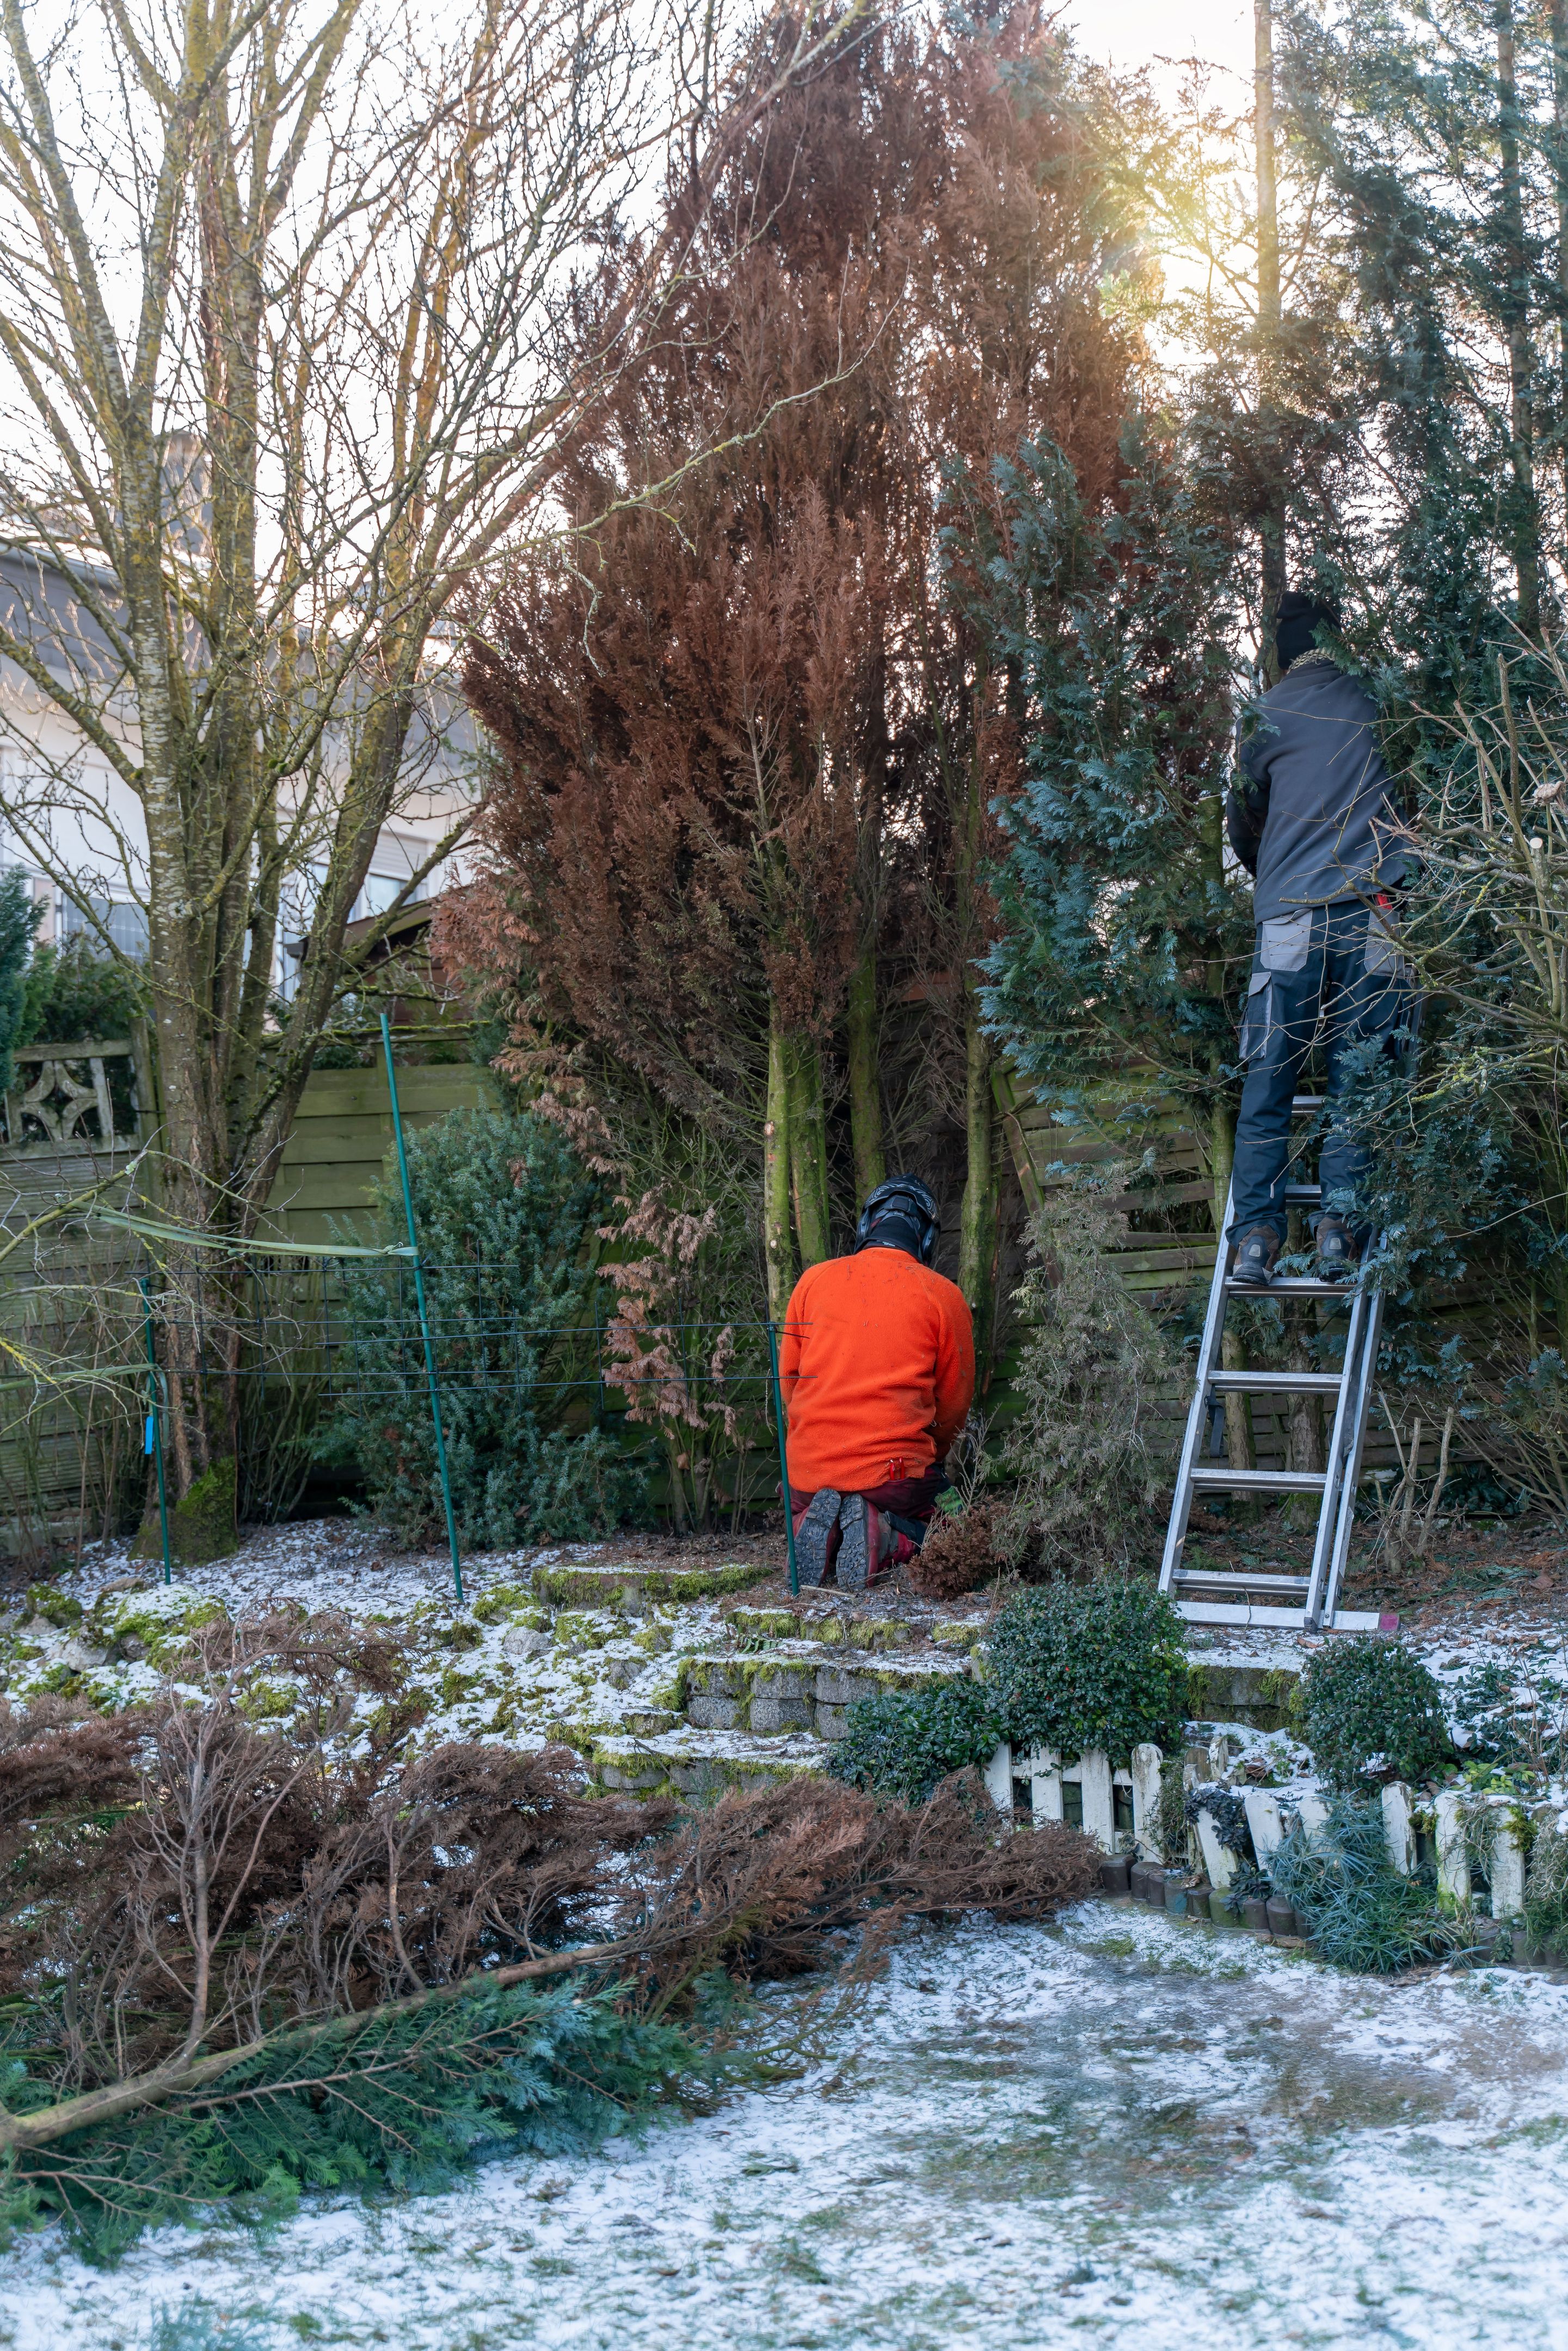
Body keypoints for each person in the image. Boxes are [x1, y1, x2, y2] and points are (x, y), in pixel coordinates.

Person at [1225, 588, 1416, 1287]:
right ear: (1338, 640)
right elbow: (1419, 801)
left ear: (1282, 654)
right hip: (1375, 916)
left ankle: (1255, 1242)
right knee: (1358, 1081)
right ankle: (1338, 1231)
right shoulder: (1382, 704)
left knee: (1270, 1081)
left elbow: (1244, 822)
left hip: (1290, 923)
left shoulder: (1264, 717)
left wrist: (1272, 877)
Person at [778, 1176, 976, 1587]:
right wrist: (931, 1455)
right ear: (925, 1240)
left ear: (867, 1226)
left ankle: (813, 1525)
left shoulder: (812, 1281)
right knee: (961, 1526)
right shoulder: (943, 1295)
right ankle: (887, 1540)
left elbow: (789, 1384)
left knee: (809, 1494)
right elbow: (954, 1406)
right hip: (896, 1479)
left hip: (805, 1475)